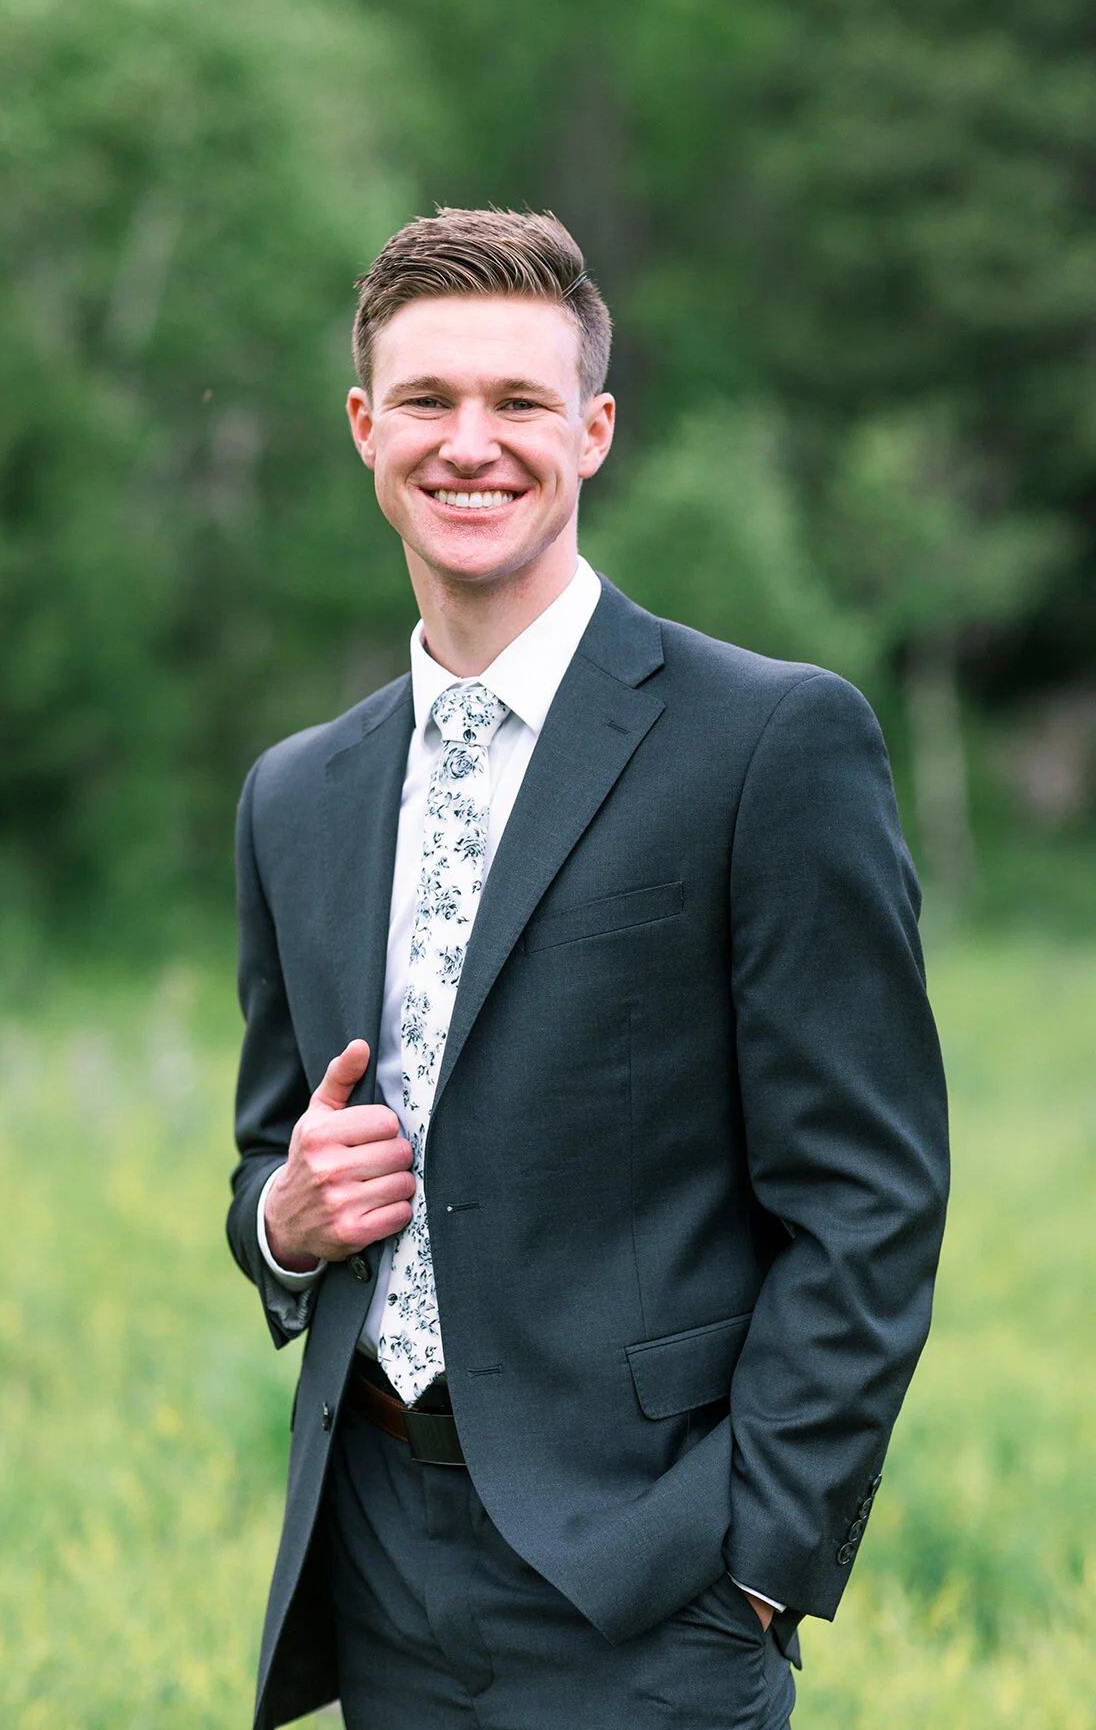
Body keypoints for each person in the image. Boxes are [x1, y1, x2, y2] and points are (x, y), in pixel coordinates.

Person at [227, 207, 949, 1730]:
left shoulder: (770, 742)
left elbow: (868, 1195)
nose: (469, 443)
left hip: (652, 1583)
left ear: (594, 430)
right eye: (427, 400)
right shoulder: (295, 793)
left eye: (519, 402)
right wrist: (286, 1225)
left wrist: (759, 1558)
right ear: (365, 427)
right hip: (373, 1564)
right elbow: (268, 1156)